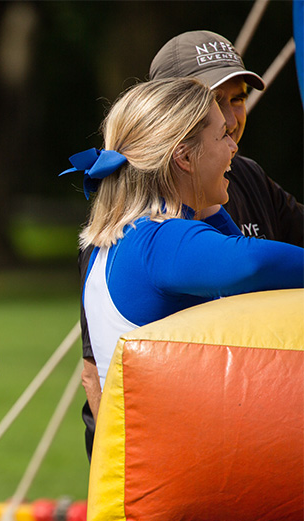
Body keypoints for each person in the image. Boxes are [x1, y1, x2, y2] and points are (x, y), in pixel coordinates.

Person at [78, 30, 304, 460]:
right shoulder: (160, 240)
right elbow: (251, 264)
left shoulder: (131, 230)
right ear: (183, 157)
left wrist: (207, 202)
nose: (234, 143)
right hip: (169, 495)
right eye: (222, 135)